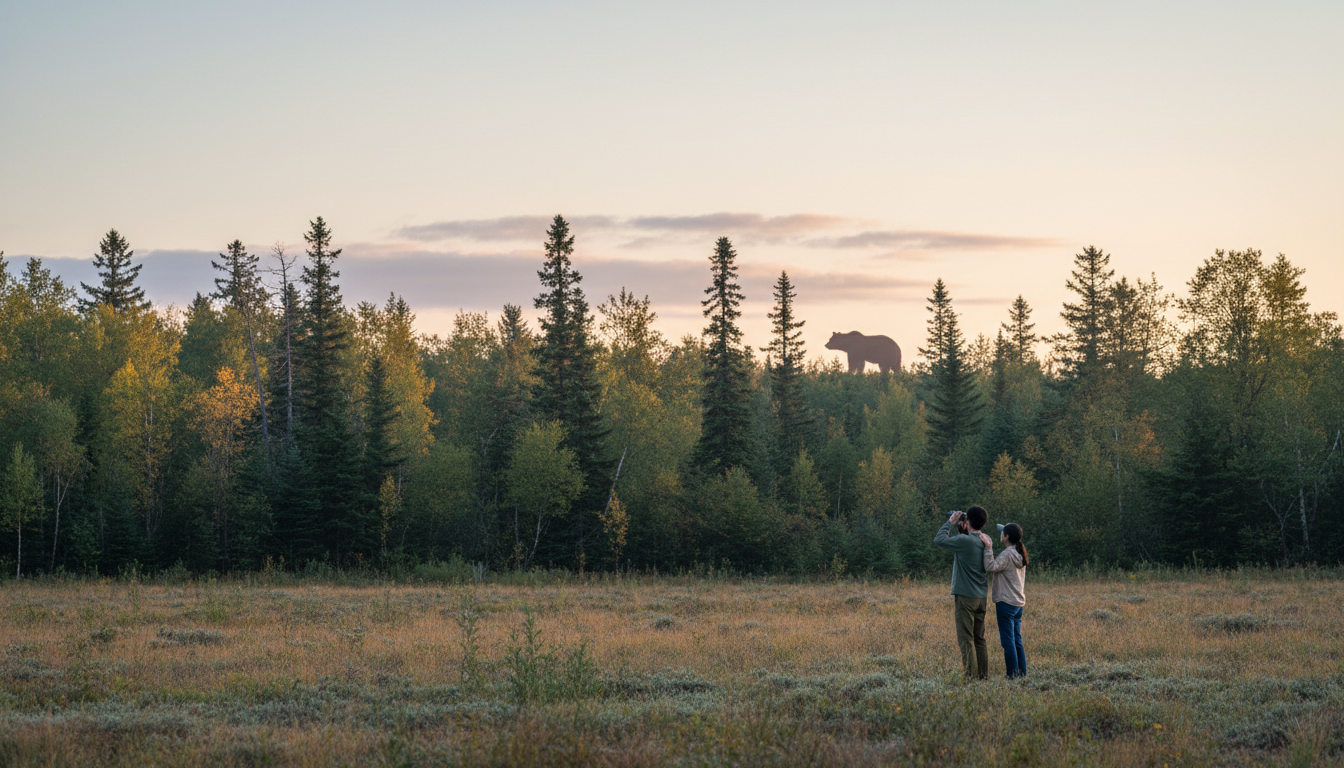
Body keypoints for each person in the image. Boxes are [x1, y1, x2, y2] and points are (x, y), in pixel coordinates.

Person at [934, 506, 989, 680]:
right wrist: (963, 529)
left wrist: (950, 523)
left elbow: (939, 539)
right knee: (979, 639)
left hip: (966, 596)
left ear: (968, 521)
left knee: (966, 640)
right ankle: (983, 676)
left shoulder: (965, 542)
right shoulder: (985, 539)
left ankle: (970, 677)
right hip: (981, 596)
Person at [980, 523, 1028, 678]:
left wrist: (988, 547)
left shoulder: (1007, 554)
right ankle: (1021, 673)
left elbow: (990, 566)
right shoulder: (1019, 552)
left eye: (1002, 533)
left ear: (1006, 537)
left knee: (1008, 642)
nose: (1000, 534)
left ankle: (1012, 675)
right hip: (1018, 603)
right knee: (1017, 640)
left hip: (1006, 603)